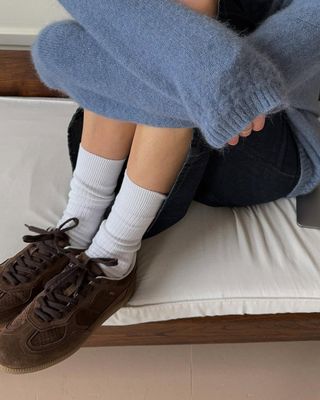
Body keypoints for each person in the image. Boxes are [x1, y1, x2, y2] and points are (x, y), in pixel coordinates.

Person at [0, 0, 319, 373]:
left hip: (276, 133)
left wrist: (218, 81)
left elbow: (247, 75)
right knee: (162, 44)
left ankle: (114, 259)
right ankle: (76, 226)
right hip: (142, 136)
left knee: (179, 57)